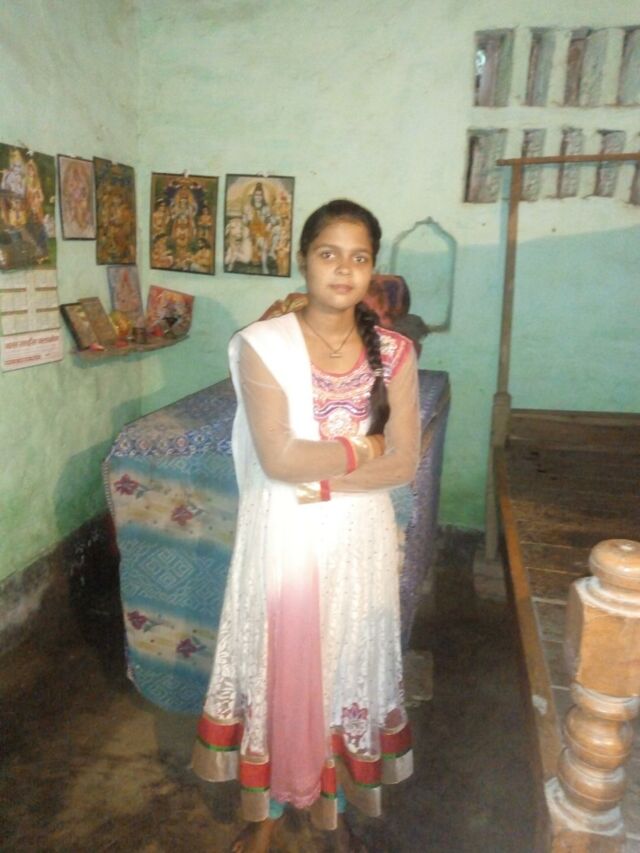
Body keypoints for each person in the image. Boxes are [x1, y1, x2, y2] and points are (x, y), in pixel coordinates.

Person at [192, 199, 420, 853]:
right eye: (328, 253)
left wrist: (316, 476)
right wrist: (363, 449)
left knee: (345, 666)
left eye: (359, 257)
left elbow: (403, 463)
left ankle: (331, 808)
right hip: (283, 542)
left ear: (372, 269)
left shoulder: (395, 352)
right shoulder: (265, 344)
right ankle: (264, 815)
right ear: (303, 261)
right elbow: (277, 458)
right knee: (278, 669)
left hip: (358, 542)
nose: (343, 269)